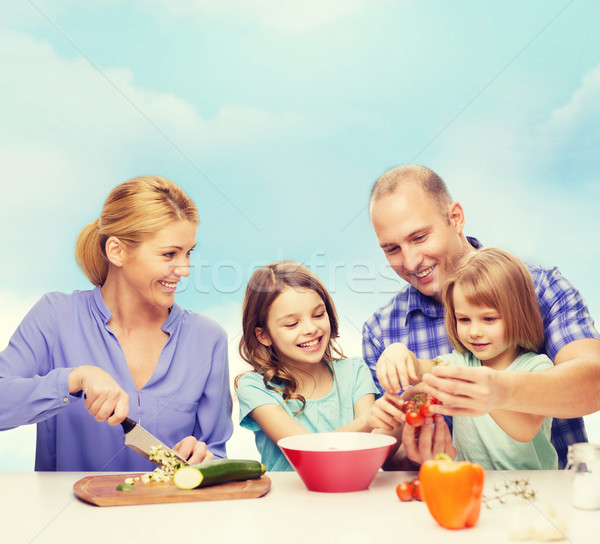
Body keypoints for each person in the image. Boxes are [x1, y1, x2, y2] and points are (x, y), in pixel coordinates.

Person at [363, 164, 600, 468]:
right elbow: (384, 453)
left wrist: (502, 390)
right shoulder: (381, 330)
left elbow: (594, 382)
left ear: (455, 218)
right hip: (452, 497)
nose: (410, 262)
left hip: (555, 499)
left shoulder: (540, 288)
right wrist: (412, 458)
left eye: (420, 237)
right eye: (392, 249)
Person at [0, 176, 233, 471]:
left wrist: (204, 457)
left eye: (189, 253)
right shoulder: (55, 316)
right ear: (117, 251)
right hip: (71, 516)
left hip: (173, 515)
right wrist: (74, 379)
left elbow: (215, 452)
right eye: (169, 254)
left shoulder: (208, 339)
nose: (185, 269)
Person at [377, 248, 558, 469]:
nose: (474, 332)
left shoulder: (537, 368)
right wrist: (397, 352)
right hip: (469, 484)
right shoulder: (460, 363)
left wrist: (476, 387)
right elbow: (418, 368)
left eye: (488, 319)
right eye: (463, 319)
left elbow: (525, 429)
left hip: (528, 489)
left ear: (519, 314)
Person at [236, 261, 405, 471]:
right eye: (292, 324)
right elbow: (307, 452)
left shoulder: (355, 372)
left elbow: (372, 448)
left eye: (318, 315)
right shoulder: (255, 387)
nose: (311, 328)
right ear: (263, 335)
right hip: (287, 501)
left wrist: (404, 406)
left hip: (353, 495)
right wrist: (368, 421)